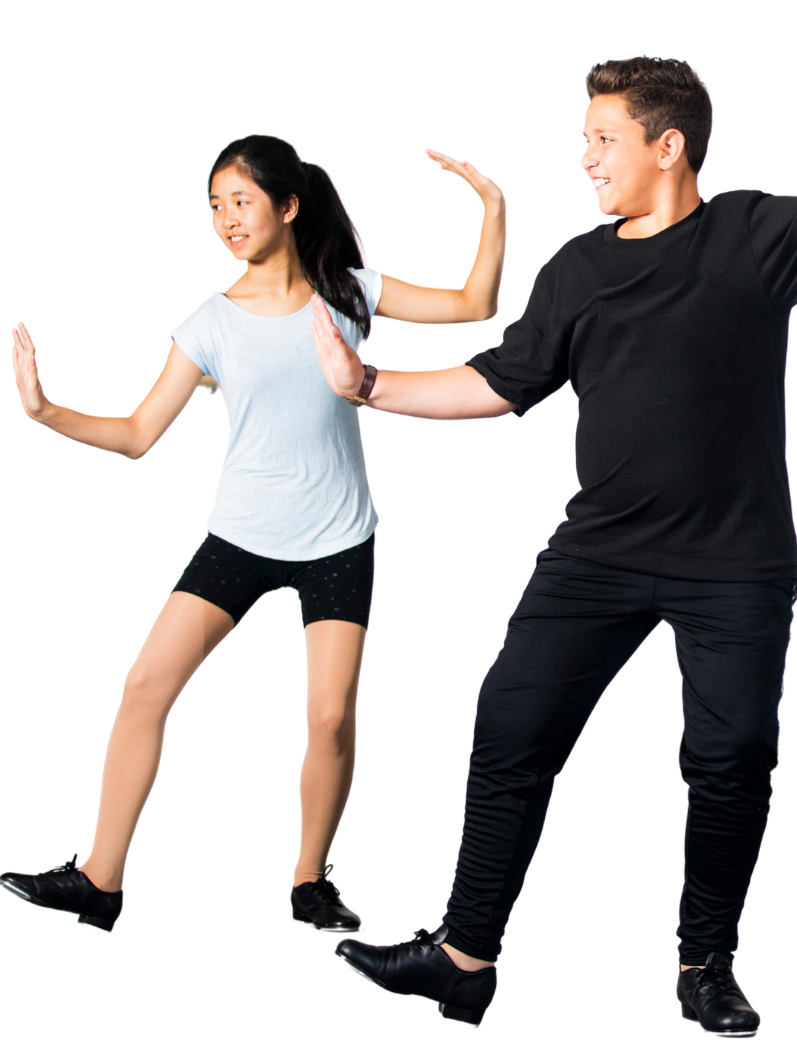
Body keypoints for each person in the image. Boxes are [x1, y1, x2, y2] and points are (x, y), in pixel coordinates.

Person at [310, 55, 797, 1038]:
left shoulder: (758, 230)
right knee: (508, 724)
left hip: (734, 559)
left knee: (731, 753)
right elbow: (499, 382)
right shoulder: (577, 264)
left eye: (601, 140)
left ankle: (704, 963)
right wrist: (368, 386)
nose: (582, 159)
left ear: (668, 147)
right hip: (596, 553)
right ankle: (460, 960)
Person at [1, 133, 508, 936]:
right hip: (237, 534)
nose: (227, 219)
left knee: (331, 719)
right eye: (214, 206)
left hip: (337, 537)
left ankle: (311, 881)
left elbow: (473, 305)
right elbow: (138, 434)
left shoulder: (349, 289)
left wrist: (492, 202)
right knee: (143, 688)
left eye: (240, 201)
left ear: (288, 204)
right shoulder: (211, 318)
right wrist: (44, 411)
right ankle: (99, 880)